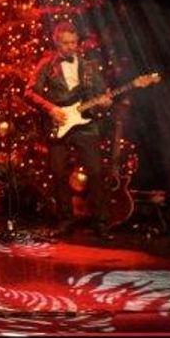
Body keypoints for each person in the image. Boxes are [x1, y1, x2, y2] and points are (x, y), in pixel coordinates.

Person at [24, 21, 112, 239]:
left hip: (85, 123)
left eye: (74, 42)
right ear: (57, 42)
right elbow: (29, 93)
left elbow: (103, 93)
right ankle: (65, 219)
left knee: (95, 172)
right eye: (66, 43)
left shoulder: (89, 66)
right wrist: (51, 108)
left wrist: (105, 101)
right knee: (58, 172)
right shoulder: (47, 64)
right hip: (59, 122)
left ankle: (100, 222)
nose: (71, 47)